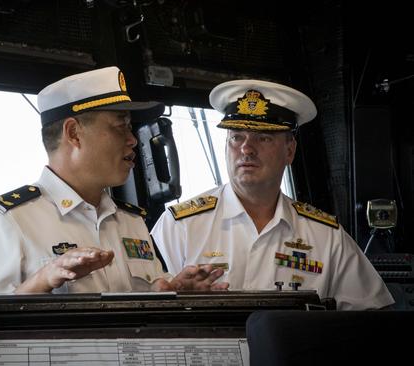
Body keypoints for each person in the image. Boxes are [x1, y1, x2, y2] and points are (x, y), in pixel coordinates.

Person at [0, 66, 229, 295]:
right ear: (74, 133)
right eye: (120, 126)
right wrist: (41, 282)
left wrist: (172, 291)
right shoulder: (7, 221)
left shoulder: (131, 221)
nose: (133, 139)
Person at [151, 79, 394, 310]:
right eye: (236, 137)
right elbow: (139, 306)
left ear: (290, 151)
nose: (246, 149)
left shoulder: (326, 237)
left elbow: (372, 316)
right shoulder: (180, 225)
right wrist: (175, 296)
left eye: (263, 137)